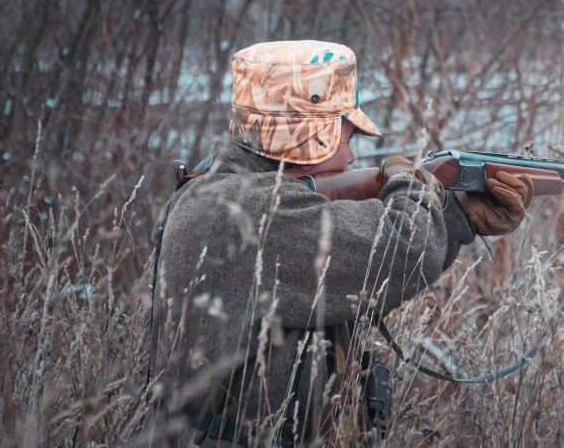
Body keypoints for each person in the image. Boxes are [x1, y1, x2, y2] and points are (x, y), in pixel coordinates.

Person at [149, 40, 533, 447]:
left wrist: (458, 217)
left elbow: (363, 269)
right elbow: (400, 251)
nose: (351, 158)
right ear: (308, 136)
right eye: (346, 138)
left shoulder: (222, 189)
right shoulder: (258, 210)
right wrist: (414, 185)